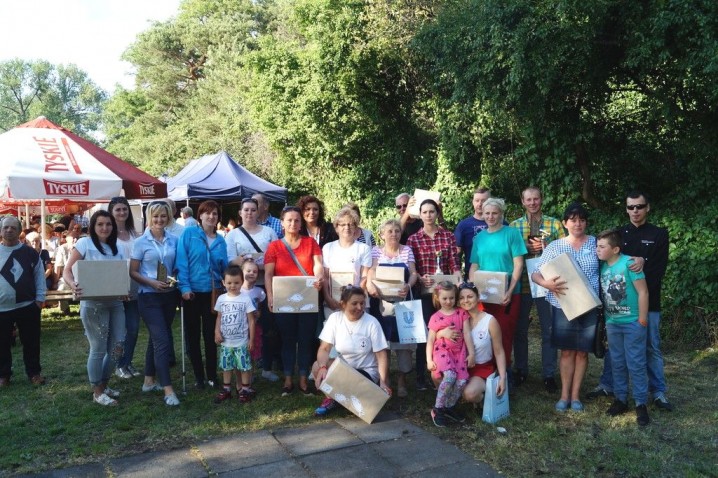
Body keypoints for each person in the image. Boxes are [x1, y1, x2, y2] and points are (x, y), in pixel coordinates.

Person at [588, 191, 673, 411]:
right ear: (626, 209)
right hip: (617, 307)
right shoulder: (619, 234)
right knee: (614, 350)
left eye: (639, 206)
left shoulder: (659, 234)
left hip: (647, 302)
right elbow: (609, 262)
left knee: (651, 347)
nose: (635, 211)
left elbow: (658, 269)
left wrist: (641, 265)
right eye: (630, 207)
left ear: (647, 208)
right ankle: (610, 386)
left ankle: (658, 392)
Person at [531, 202, 599, 412]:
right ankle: (564, 395)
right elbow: (535, 273)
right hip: (563, 306)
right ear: (565, 223)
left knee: (582, 353)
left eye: (582, 220)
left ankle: (576, 396)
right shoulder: (555, 246)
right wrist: (546, 284)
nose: (578, 224)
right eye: (573, 220)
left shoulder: (596, 244)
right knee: (567, 352)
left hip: (589, 306)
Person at [64, 211, 126, 406]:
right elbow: (67, 270)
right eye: (100, 224)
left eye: (108, 224)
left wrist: (124, 288)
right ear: (93, 226)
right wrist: (73, 284)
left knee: (117, 347)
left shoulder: (118, 247)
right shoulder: (84, 244)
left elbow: (120, 274)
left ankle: (104, 384)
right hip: (93, 304)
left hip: (116, 302)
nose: (104, 228)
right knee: (98, 348)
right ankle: (97, 392)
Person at [510, 186, 565, 391]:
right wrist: (524, 247)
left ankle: (548, 374)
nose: (532, 203)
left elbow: (565, 250)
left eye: (536, 199)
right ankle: (521, 370)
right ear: (522, 201)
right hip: (522, 284)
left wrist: (548, 248)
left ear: (541, 199)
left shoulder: (555, 224)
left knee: (549, 330)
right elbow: (508, 252)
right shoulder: (514, 227)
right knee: (520, 330)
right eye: (528, 199)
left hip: (548, 284)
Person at [264, 206, 324, 396]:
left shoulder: (310, 243)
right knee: (287, 339)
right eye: (289, 220)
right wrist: (271, 295)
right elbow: (268, 274)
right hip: (284, 300)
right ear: (282, 223)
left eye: (297, 220)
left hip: (308, 299)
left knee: (306, 339)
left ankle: (304, 378)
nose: (293, 223)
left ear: (301, 223)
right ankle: (288, 378)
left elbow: (318, 265)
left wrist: (319, 277)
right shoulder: (274, 246)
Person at [468, 198, 527, 380]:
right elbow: (474, 265)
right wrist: (472, 290)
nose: (490, 217)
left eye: (494, 213)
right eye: (487, 213)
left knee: (504, 335)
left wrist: (509, 290)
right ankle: (485, 375)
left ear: (501, 214)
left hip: (507, 295)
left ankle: (504, 377)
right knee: (484, 336)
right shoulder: (479, 238)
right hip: (484, 296)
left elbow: (518, 264)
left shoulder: (512, 234)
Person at [596, 229, 650, 426]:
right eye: (597, 246)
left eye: (602, 247)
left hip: (633, 322)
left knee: (635, 363)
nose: (597, 250)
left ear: (615, 249)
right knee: (617, 362)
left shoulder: (629, 264)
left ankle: (640, 403)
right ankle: (620, 399)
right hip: (613, 323)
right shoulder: (603, 266)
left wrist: (642, 320)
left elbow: (643, 292)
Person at [406, 199, 462, 391]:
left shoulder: (448, 236)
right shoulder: (413, 239)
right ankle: (422, 375)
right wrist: (420, 279)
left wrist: (458, 279)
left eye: (432, 211)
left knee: (448, 330)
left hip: (446, 294)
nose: (428, 215)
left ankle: (448, 370)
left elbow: (454, 263)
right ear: (420, 214)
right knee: (426, 333)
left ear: (437, 213)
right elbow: (412, 268)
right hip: (425, 293)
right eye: (425, 212)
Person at [130, 200, 181, 406]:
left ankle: (148, 380)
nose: (159, 220)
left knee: (156, 338)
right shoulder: (140, 242)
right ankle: (168, 390)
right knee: (162, 341)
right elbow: (133, 272)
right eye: (156, 216)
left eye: (163, 216)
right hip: (149, 296)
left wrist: (174, 278)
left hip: (169, 295)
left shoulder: (174, 240)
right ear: (149, 218)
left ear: (168, 217)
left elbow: (176, 266)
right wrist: (152, 282)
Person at [311, 286, 390, 416]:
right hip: (344, 368)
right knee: (316, 366)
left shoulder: (372, 322)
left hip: (366, 372)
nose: (359, 307)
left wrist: (383, 382)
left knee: (348, 382)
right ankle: (332, 398)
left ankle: (343, 398)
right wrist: (323, 367)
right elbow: (324, 348)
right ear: (343, 304)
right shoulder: (335, 318)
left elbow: (381, 354)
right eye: (354, 303)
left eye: (362, 303)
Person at [225, 197, 279, 381]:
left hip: (266, 286)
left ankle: (267, 367)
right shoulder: (233, 235)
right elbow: (229, 261)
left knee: (268, 329)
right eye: (246, 210)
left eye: (253, 210)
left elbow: (276, 258)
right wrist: (241, 262)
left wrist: (261, 267)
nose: (249, 213)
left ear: (259, 212)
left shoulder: (269, 232)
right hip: (242, 290)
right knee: (245, 330)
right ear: (240, 213)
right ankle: (247, 369)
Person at [176, 200, 228, 389]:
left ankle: (212, 375)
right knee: (193, 336)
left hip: (212, 294)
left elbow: (224, 268)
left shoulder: (221, 241)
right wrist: (184, 288)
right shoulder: (189, 234)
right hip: (191, 293)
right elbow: (181, 262)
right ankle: (199, 376)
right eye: (208, 213)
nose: (211, 216)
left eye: (215, 213)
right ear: (200, 215)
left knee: (211, 335)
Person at [366, 218, 419, 398]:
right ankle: (385, 379)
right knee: (382, 341)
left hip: (402, 302)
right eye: (389, 231)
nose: (394, 234)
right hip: (381, 303)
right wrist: (370, 284)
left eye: (397, 231)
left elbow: (413, 272)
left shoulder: (407, 250)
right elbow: (372, 270)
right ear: (382, 235)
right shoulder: (376, 251)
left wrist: (409, 285)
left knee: (403, 342)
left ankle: (402, 379)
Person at [0, 216, 46, 387]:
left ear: (20, 231)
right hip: (1, 308)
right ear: (1, 230)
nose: (9, 230)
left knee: (31, 342)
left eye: (13, 227)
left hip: (27, 305)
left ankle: (34, 373)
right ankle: (3, 375)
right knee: (1, 343)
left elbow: (39, 276)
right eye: (6, 227)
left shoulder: (30, 253)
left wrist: (39, 299)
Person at [448, 282, 507, 406]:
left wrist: (502, 377)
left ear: (478, 297)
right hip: (458, 365)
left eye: (470, 296)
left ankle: (482, 397)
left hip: (481, 367)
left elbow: (499, 351)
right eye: (462, 298)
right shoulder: (454, 318)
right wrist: (442, 333)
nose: (466, 301)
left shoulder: (489, 320)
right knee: (436, 376)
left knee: (470, 393)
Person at [426, 282, 475, 427]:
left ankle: (449, 406)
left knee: (462, 381)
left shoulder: (461, 313)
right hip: (442, 351)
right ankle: (438, 409)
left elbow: (467, 333)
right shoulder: (435, 317)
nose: (448, 301)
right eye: (445, 298)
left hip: (459, 353)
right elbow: (430, 340)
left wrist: (471, 353)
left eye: (452, 298)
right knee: (450, 376)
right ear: (437, 298)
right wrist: (429, 360)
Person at [109, 196, 143, 380]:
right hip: (116, 288)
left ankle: (127, 362)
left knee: (133, 328)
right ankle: (118, 364)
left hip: (135, 286)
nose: (122, 212)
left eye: (124, 209)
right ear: (111, 212)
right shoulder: (108, 234)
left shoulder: (134, 233)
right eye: (118, 209)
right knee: (119, 331)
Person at [213, 264, 257, 404]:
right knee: (227, 367)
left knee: (244, 367)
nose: (233, 286)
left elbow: (251, 320)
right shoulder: (221, 299)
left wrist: (251, 339)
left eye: (236, 282)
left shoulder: (245, 299)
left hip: (242, 342)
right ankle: (226, 390)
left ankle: (244, 391)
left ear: (242, 282)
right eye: (229, 283)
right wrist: (216, 332)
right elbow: (219, 317)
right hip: (226, 342)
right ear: (223, 282)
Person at [321, 207, 372, 322]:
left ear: (356, 227)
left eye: (350, 224)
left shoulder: (364, 248)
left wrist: (354, 300)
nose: (347, 227)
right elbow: (325, 276)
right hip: (332, 303)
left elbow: (364, 277)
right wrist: (328, 298)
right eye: (342, 224)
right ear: (336, 228)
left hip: (357, 304)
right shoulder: (328, 248)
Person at [454, 187, 492, 277]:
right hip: (472, 275)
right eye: (477, 200)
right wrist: (457, 275)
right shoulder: (463, 225)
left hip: (497, 274)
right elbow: (457, 253)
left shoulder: (502, 224)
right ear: (473, 202)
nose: (480, 204)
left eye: (483, 201)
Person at [240, 259, 266, 375]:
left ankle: (251, 374)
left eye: (254, 272)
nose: (251, 273)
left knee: (252, 350)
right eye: (248, 271)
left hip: (254, 327)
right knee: (242, 351)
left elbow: (259, 306)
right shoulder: (238, 291)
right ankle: (242, 374)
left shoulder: (260, 292)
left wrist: (259, 312)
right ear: (242, 272)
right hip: (241, 328)